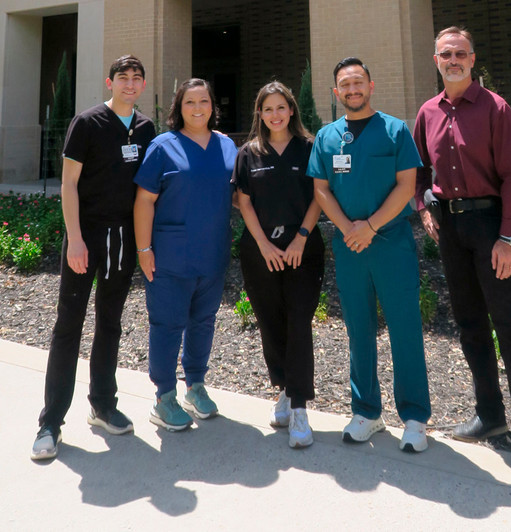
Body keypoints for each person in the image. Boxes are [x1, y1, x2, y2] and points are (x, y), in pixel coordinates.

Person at [413, 26, 511, 481]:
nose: (452, 60)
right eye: (445, 54)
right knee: (470, 325)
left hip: (491, 227)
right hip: (451, 229)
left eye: (460, 53)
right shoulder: (428, 112)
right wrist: (423, 208)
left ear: (472, 59)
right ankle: (489, 414)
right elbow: (419, 169)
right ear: (436, 60)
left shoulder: (496, 108)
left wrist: (509, 237)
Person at [32, 55, 155, 460]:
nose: (130, 84)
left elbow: (147, 191)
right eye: (123, 77)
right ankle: (50, 423)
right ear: (110, 82)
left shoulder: (145, 128)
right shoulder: (86, 123)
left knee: (110, 323)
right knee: (68, 326)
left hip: (122, 239)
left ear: (142, 85)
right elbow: (68, 184)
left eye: (136, 78)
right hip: (85, 237)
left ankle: (102, 405)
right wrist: (75, 239)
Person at [308, 57, 431, 452]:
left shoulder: (395, 131)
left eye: (358, 82)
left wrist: (371, 227)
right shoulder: (327, 137)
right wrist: (349, 229)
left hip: (391, 243)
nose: (352, 89)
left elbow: (406, 185)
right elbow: (321, 189)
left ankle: (414, 417)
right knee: (358, 329)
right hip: (350, 247)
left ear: (371, 86)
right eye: (345, 84)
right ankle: (366, 412)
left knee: (404, 327)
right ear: (336, 92)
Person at [133, 78, 238, 432]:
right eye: (189, 102)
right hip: (170, 257)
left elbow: (237, 195)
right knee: (167, 324)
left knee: (203, 321)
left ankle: (195, 386)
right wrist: (144, 249)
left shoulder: (226, 145)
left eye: (204, 101)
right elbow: (144, 200)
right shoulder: (163, 146)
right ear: (179, 107)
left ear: (212, 106)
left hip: (212, 254)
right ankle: (164, 397)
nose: (197, 108)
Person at [233, 81, 324, 449]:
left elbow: (319, 195)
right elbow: (243, 201)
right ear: (260, 113)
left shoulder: (310, 147)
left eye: (281, 107)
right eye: (268, 108)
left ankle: (300, 407)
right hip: (261, 251)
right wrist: (264, 245)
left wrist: (301, 237)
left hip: (303, 249)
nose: (275, 114)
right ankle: (285, 389)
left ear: (291, 110)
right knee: (270, 322)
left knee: (299, 321)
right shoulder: (249, 152)